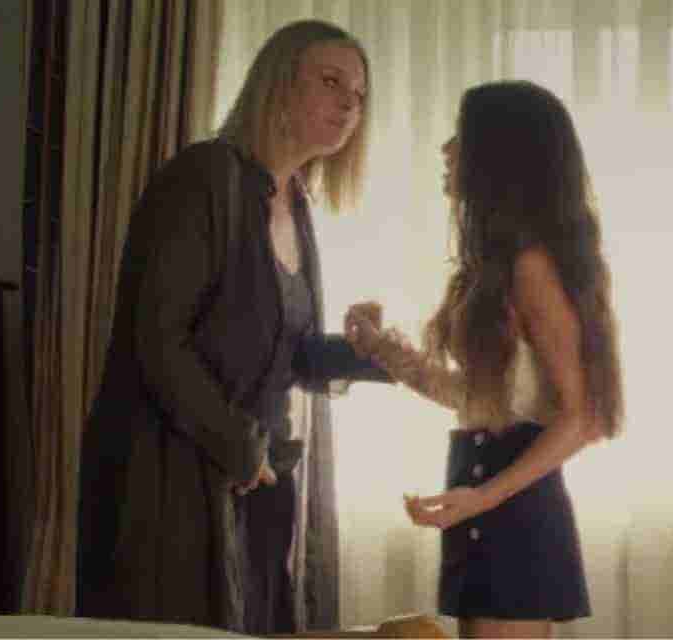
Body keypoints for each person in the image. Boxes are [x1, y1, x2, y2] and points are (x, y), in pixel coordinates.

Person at [76, 20, 388, 635]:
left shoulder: (295, 202)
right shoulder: (202, 179)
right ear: (277, 85)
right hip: (171, 477)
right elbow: (159, 340)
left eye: (359, 94)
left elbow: (287, 355)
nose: (350, 104)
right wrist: (240, 448)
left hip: (256, 479)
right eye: (331, 82)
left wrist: (371, 356)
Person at [345, 80, 625, 639]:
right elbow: (480, 398)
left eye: (461, 136)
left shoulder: (532, 268)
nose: (446, 149)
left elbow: (584, 417)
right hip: (485, 494)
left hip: (509, 503)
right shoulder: (494, 269)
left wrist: (482, 498)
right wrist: (380, 348)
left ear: (499, 156)